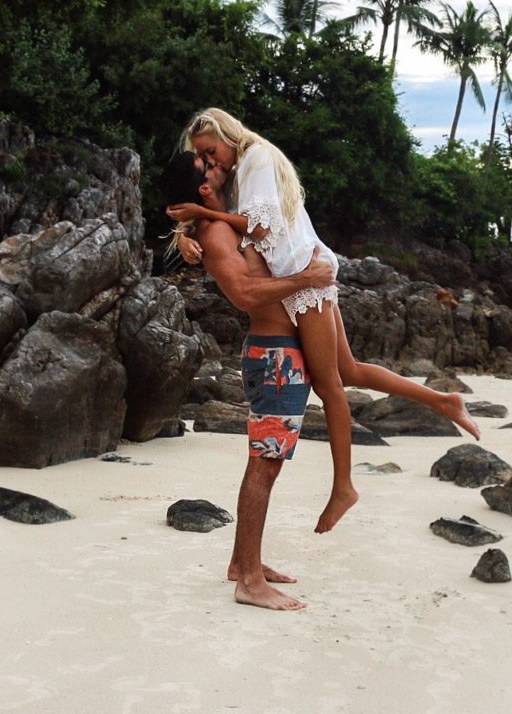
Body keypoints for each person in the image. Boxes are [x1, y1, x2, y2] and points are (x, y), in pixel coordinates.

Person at [167, 108, 480, 534]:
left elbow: (262, 228)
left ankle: (344, 487)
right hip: (302, 274)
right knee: (349, 370)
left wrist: (211, 218)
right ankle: (443, 402)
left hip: (304, 277)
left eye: (211, 149)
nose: (210, 159)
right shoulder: (240, 172)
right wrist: (188, 233)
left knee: (329, 382)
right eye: (202, 156)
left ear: (228, 134)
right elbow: (242, 227)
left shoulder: (255, 156)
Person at [159, 150, 334, 611]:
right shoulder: (216, 231)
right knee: (265, 463)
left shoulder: (223, 221)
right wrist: (306, 277)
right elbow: (242, 294)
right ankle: (249, 582)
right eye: (208, 164)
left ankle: (242, 563)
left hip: (279, 354)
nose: (218, 164)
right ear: (203, 185)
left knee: (265, 461)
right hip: (275, 358)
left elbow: (261, 220)